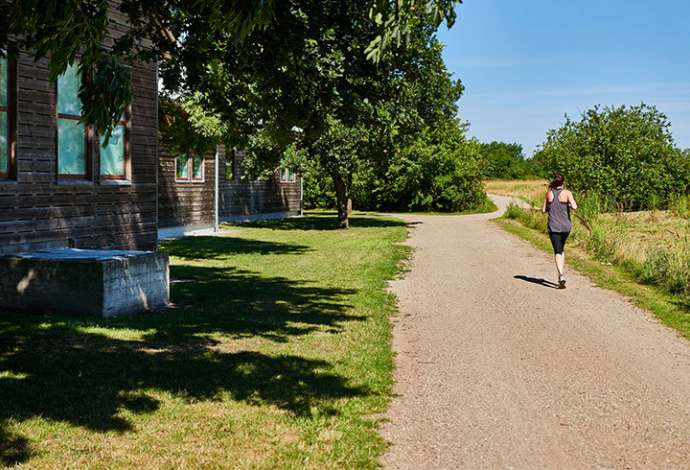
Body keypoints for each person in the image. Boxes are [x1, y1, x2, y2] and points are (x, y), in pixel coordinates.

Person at [541, 174, 577, 289]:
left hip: (554, 227)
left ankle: (561, 275)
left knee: (557, 251)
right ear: (563, 182)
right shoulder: (567, 193)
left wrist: (549, 207)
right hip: (566, 227)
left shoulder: (549, 193)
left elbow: (543, 210)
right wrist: (569, 204)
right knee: (561, 249)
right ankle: (561, 273)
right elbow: (575, 206)